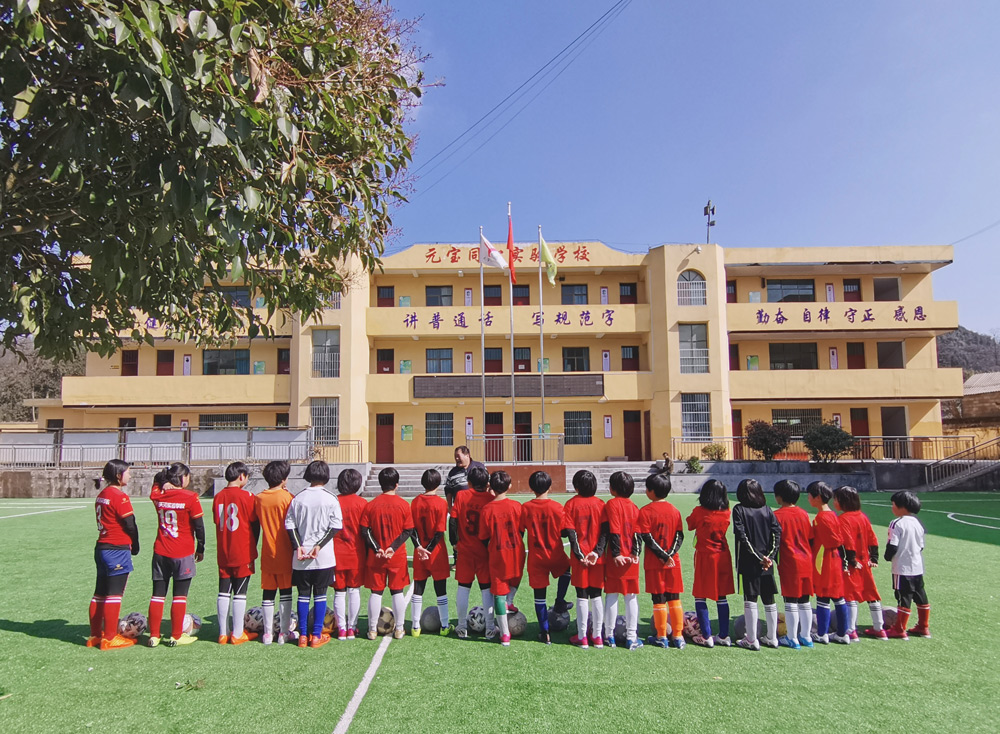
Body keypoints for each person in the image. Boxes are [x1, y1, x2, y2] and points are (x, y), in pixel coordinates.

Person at [285, 460, 342, 648]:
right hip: (323, 556)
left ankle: (302, 635)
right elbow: (336, 526)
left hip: (301, 557)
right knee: (320, 594)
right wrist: (319, 545)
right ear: (326, 476)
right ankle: (316, 635)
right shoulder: (330, 498)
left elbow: (289, 525)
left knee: (302, 594)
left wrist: (298, 546)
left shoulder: (298, 498)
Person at [148, 462, 205, 647]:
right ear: (182, 478)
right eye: (188, 476)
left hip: (160, 552)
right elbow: (199, 527)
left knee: (157, 595)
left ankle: (154, 636)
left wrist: (163, 482)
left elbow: (157, 479)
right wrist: (201, 548)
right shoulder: (191, 497)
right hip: (182, 552)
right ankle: (176, 635)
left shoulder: (158, 495)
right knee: (179, 596)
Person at [89, 459, 140, 650]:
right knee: (114, 595)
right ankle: (110, 638)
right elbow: (130, 524)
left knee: (99, 594)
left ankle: (95, 635)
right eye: (127, 472)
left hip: (101, 547)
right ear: (119, 475)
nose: (130, 475)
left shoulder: (102, 494)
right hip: (116, 548)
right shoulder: (120, 496)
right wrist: (135, 545)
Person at [359, 467, 414, 640]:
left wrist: (377, 548)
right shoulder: (404, 505)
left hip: (377, 557)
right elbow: (408, 530)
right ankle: (399, 629)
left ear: (380, 484)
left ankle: (373, 630)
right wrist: (393, 547)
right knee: (397, 591)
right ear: (396, 485)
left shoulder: (371, 505)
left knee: (376, 592)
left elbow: (364, 530)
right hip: (396, 556)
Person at [519, 470, 572, 645]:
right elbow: (565, 533)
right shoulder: (557, 507)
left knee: (539, 596)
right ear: (550, 486)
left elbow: (520, 531)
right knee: (567, 570)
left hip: (537, 558)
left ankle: (545, 632)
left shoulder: (525, 508)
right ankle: (559, 601)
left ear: (531, 487)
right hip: (555, 553)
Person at [637, 470, 685, 649]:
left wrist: (663, 556)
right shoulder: (675, 510)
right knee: (674, 597)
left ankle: (662, 635)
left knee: (658, 598)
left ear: (650, 491)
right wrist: (670, 554)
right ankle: (679, 636)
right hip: (673, 562)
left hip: (655, 562)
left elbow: (647, 538)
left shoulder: (645, 511)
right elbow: (680, 536)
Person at [212, 461, 259, 645]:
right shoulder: (248, 496)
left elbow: (218, 522)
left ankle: (223, 633)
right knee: (240, 592)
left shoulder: (217, 497)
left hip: (224, 550)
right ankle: (237, 633)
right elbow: (255, 525)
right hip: (242, 551)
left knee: (223, 590)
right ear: (241, 476)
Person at [731, 479, 781, 651]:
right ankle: (772, 637)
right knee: (769, 599)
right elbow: (777, 533)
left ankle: (752, 639)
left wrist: (759, 557)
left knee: (750, 598)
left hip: (750, 562)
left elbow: (742, 537)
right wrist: (770, 557)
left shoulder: (738, 509)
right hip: (767, 563)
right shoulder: (768, 510)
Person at [685, 479, 735, 648]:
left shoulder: (700, 511)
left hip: (705, 556)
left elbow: (690, 524)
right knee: (722, 596)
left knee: (700, 594)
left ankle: (706, 635)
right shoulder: (727, 511)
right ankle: (723, 635)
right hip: (723, 555)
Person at [478, 471, 525, 647]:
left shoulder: (487, 509)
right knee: (516, 577)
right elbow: (521, 530)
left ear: (490, 487)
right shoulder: (517, 506)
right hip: (517, 551)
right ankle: (510, 600)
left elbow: (483, 536)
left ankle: (505, 634)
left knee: (498, 591)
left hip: (497, 553)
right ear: (510, 486)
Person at [833, 485, 885, 640]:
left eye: (835, 499)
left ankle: (851, 630)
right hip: (865, 561)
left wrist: (851, 560)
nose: (833, 502)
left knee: (850, 595)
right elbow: (872, 538)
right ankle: (879, 628)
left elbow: (847, 542)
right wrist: (874, 557)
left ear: (843, 501)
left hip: (853, 563)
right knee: (871, 593)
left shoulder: (843, 519)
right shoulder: (862, 517)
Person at [562, 469, 607, 648]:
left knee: (581, 595)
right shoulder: (601, 504)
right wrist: (597, 553)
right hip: (597, 558)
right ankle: (597, 636)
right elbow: (605, 532)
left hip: (580, 558)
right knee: (596, 594)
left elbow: (571, 535)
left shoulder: (570, 504)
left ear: (576, 487)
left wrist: (581, 556)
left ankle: (582, 636)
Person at [450, 465, 497, 639]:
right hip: (485, 551)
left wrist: (454, 542)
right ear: (487, 483)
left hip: (465, 550)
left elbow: (453, 521)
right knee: (486, 589)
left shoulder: (462, 495)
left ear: (469, 482)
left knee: (463, 587)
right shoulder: (490, 499)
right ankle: (490, 628)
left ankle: (462, 626)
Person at [602, 471, 644, 651]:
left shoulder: (611, 504)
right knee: (631, 597)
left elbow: (614, 530)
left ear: (612, 489)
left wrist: (616, 553)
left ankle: (609, 635)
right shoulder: (635, 507)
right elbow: (638, 533)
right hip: (631, 559)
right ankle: (631, 637)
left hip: (616, 557)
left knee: (612, 594)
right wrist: (636, 552)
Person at [255, 460, 294, 645]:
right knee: (286, 592)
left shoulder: (259, 498)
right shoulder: (288, 498)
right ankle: (284, 633)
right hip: (285, 551)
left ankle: (267, 634)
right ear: (284, 479)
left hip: (267, 552)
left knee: (268, 594)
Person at [806, 481, 851, 645]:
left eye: (809, 495)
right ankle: (842, 633)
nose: (808, 498)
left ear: (817, 497)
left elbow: (826, 541)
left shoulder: (820, 518)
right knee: (839, 598)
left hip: (824, 560)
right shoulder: (833, 515)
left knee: (823, 598)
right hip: (836, 560)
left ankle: (822, 633)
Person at [772, 479, 815, 649]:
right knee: (805, 600)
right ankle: (806, 636)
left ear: (779, 497)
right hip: (807, 561)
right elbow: (810, 537)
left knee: (790, 601)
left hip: (790, 562)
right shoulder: (804, 514)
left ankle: (792, 637)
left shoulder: (777, 516)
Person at [410, 468, 451, 637]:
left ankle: (415, 627)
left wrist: (420, 548)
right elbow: (440, 531)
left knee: (418, 588)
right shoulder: (441, 503)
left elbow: (411, 529)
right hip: (436, 553)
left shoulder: (414, 502)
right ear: (438, 483)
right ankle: (445, 625)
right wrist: (429, 550)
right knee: (440, 588)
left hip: (419, 552)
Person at [885, 490, 930, 640]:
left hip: (902, 567)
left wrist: (887, 556)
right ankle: (923, 627)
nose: (892, 507)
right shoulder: (918, 523)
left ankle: (899, 629)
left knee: (903, 597)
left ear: (901, 506)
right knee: (920, 596)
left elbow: (893, 545)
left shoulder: (897, 523)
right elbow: (921, 545)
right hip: (917, 566)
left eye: (893, 504)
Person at [332, 468, 367, 641]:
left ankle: (341, 629)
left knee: (339, 592)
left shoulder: (333, 501)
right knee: (354, 591)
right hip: (356, 553)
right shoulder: (362, 503)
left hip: (335, 554)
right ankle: (352, 628)